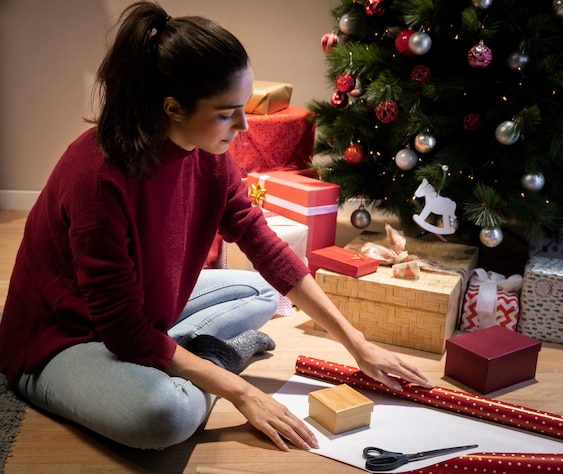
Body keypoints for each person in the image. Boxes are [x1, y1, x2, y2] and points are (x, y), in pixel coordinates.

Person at [0, 1, 432, 452]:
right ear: (173, 108)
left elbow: (262, 243)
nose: (243, 126)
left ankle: (175, 356)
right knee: (168, 417)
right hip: (64, 341)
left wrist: (356, 344)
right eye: (227, 113)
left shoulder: (210, 155)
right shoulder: (97, 176)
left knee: (265, 293)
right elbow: (122, 331)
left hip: (140, 315)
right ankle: (211, 358)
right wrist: (239, 390)